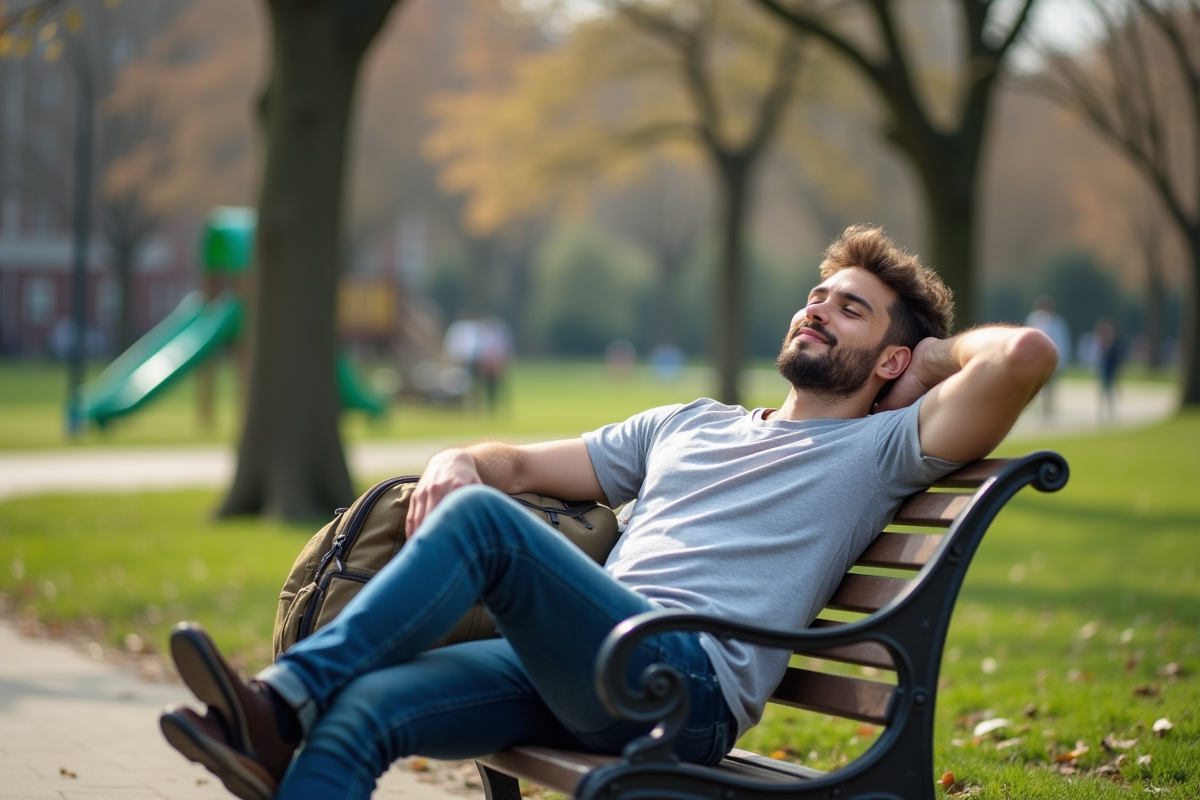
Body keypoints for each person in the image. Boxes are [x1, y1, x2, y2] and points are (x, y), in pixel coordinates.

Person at [158, 225, 1057, 800]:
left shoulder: (880, 452)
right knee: (363, 712)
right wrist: (455, 459)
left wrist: (935, 353)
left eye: (851, 310)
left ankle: (277, 699)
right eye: (817, 295)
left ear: (897, 362)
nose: (817, 309)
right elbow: (511, 462)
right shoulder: (689, 423)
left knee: (485, 527)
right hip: (584, 665)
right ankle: (292, 721)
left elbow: (1022, 355)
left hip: (678, 685)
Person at [1024, 296, 1071, 417]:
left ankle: (1048, 407)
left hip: (1052, 359)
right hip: (1037, 359)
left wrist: (1062, 360)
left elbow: (1063, 342)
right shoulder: (1034, 319)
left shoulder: (1058, 322)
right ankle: (1040, 407)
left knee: (1050, 385)